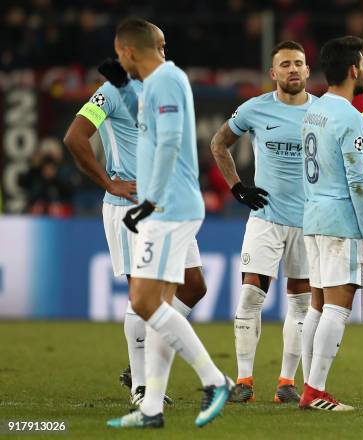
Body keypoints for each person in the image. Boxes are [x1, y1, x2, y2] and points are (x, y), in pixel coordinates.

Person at [63, 27, 207, 408]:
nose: (164, 49)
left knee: (194, 286)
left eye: (164, 43)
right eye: (158, 44)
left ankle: (142, 355)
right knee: (141, 295)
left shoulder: (162, 85)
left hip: (168, 204)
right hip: (131, 206)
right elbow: (75, 137)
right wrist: (108, 182)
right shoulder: (109, 91)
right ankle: (141, 385)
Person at [102, 18, 231, 428]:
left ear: (126, 51)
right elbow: (155, 135)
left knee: (143, 303)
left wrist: (151, 200)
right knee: (154, 304)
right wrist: (123, 89)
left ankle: (215, 380)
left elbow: (172, 140)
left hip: (169, 207)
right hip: (168, 205)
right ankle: (151, 408)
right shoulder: (155, 84)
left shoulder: (166, 81)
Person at [209, 40, 315, 404]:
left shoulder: (323, 112)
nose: (293, 70)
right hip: (265, 216)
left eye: (299, 63)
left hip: (307, 221)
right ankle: (244, 380)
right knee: (251, 295)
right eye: (285, 64)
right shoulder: (254, 109)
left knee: (301, 304)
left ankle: (287, 382)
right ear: (273, 74)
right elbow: (218, 143)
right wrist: (237, 187)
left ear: (307, 70)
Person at [299, 35, 363, 411]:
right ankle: (315, 391)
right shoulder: (349, 116)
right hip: (339, 221)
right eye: (362, 64)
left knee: (317, 304)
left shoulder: (313, 111)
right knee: (338, 305)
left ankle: (307, 386)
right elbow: (358, 182)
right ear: (353, 70)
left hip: (313, 216)